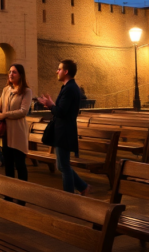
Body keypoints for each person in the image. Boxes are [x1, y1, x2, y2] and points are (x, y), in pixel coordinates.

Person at [37, 59, 92, 195]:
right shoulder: (69, 87)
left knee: (64, 167)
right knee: (62, 166)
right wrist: (51, 104)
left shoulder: (70, 89)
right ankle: (83, 187)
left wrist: (50, 105)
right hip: (62, 131)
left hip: (65, 132)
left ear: (66, 72)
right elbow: (61, 110)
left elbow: (61, 112)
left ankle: (69, 197)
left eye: (59, 69)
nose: (57, 71)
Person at [0, 64, 32, 198]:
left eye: (14, 72)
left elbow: (23, 111)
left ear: (20, 75)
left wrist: (4, 115)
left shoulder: (26, 91)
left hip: (18, 133)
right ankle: (9, 195)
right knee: (8, 165)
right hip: (6, 133)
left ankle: (22, 196)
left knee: (20, 165)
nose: (11, 74)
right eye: (10, 72)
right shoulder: (6, 90)